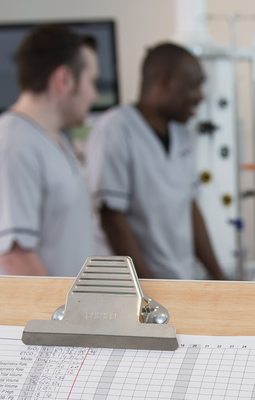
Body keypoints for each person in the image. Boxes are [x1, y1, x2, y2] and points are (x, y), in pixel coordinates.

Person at [0, 25, 99, 276]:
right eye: (92, 82)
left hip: (67, 310)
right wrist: (61, 315)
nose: (94, 95)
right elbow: (16, 258)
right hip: (34, 314)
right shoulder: (11, 146)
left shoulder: (53, 140)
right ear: (65, 80)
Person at [87, 43, 225, 280]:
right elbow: (112, 219)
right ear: (165, 82)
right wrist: (149, 290)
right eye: (194, 86)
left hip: (179, 282)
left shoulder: (182, 134)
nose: (200, 97)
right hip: (135, 288)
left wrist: (219, 277)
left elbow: (189, 207)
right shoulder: (116, 128)